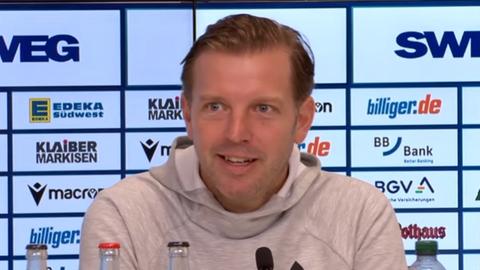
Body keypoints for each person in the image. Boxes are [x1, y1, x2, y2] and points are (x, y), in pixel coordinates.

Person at [79, 14, 407, 269]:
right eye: (216, 107)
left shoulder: (360, 213)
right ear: (188, 115)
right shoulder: (124, 214)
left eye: (263, 108)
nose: (236, 133)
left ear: (303, 119)